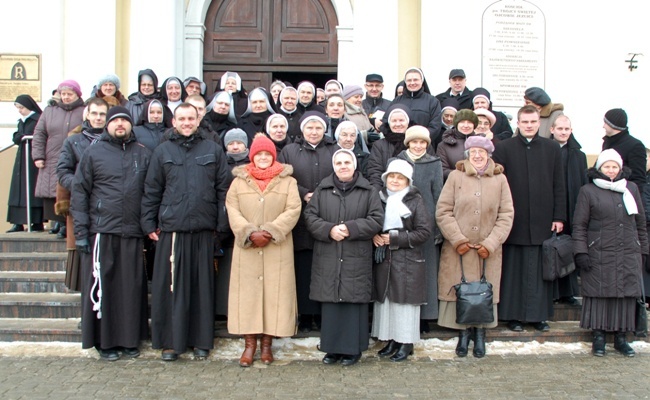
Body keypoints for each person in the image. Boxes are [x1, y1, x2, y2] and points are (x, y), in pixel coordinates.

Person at [142, 103, 231, 361]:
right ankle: (171, 342)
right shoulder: (162, 151)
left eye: (191, 118)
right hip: (173, 232)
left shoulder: (213, 150)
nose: (186, 122)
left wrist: (221, 226)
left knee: (201, 291)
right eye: (181, 118)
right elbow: (152, 190)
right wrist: (148, 224)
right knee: (171, 290)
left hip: (204, 231)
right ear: (174, 121)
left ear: (198, 119)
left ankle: (201, 340)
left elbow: (223, 191)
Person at [70, 106, 151, 361]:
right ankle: (105, 343)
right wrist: (81, 232)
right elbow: (80, 193)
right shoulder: (94, 153)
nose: (119, 125)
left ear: (130, 126)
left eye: (124, 121)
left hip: (133, 232)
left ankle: (129, 340)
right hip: (102, 231)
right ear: (107, 125)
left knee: (131, 288)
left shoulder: (143, 154)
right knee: (104, 288)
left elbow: (152, 193)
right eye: (115, 121)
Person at [436, 135, 514, 358]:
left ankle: (480, 334)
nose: (477, 155)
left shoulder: (500, 180)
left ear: (489, 154)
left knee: (483, 292)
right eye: (473, 152)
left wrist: (491, 243)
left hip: (487, 250)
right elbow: (443, 211)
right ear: (468, 154)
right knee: (463, 290)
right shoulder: (455, 176)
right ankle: (462, 334)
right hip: (458, 249)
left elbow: (506, 214)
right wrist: (458, 239)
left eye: (482, 151)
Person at [226, 135, 301, 367]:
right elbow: (232, 208)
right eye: (259, 154)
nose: (263, 158)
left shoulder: (288, 181)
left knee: (274, 296)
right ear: (252, 156)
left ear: (273, 156)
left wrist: (270, 231)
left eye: (267, 154)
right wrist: (248, 232)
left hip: (276, 248)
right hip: (247, 248)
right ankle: (249, 346)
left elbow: (293, 208)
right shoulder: (239, 181)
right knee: (248, 297)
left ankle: (267, 346)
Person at [304, 149, 383, 366]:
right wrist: (329, 229)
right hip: (328, 253)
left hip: (355, 255)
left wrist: (350, 228)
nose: (343, 166)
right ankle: (331, 349)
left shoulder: (368, 190)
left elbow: (376, 219)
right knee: (331, 302)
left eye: (347, 162)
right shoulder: (323, 189)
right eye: (338, 162)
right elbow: (310, 216)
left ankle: (352, 349)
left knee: (353, 302)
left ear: (354, 164)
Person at [492, 105, 566, 333]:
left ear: (539, 123)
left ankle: (538, 316)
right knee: (514, 271)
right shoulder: (504, 148)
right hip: (515, 219)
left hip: (543, 219)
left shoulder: (552, 148)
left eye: (533, 122)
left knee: (539, 273)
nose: (529, 126)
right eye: (525, 122)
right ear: (518, 123)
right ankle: (513, 316)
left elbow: (559, 184)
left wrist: (559, 216)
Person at [573, 149, 648, 357]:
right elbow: (579, 225)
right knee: (599, 294)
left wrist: (644, 250)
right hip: (598, 252)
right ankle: (598, 337)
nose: (611, 170)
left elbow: (640, 223)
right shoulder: (588, 191)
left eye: (615, 166)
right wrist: (581, 251)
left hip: (627, 252)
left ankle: (621, 338)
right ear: (599, 168)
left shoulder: (630, 188)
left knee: (624, 294)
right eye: (607, 166)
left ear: (620, 168)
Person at [278, 111, 338, 333]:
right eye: (310, 128)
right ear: (302, 129)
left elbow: (342, 173)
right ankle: (304, 315)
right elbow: (283, 177)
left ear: (324, 130)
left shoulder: (333, 150)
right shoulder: (290, 151)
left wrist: (322, 194)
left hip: (327, 214)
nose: (314, 132)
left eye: (318, 128)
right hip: (299, 217)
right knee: (302, 269)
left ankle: (322, 314)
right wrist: (304, 193)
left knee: (324, 268)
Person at [371, 159, 432, 362]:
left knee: (404, 303)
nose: (395, 181)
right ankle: (392, 340)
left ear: (408, 181)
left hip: (407, 259)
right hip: (385, 258)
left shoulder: (414, 200)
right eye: (392, 176)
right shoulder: (379, 198)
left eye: (400, 177)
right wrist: (375, 236)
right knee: (388, 301)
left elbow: (423, 232)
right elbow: (371, 222)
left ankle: (406, 342)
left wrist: (395, 238)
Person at [57, 97, 109, 291]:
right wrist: (80, 186)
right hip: (82, 205)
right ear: (86, 114)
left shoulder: (113, 140)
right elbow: (63, 171)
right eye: (94, 113)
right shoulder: (73, 141)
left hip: (107, 206)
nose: (98, 118)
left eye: (102, 114)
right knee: (85, 261)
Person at [394, 126, 444, 331]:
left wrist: (438, 228)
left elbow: (438, 195)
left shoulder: (434, 163)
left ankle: (425, 317)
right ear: (408, 143)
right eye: (414, 142)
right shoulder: (396, 162)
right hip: (402, 222)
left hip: (426, 224)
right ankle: (403, 317)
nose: (418, 146)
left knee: (426, 271)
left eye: (422, 142)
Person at [33, 79, 85, 235]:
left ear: (77, 94)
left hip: (75, 155)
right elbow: (39, 133)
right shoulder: (49, 111)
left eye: (70, 94)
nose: (66, 97)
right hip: (52, 155)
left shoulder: (84, 110)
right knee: (50, 190)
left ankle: (64, 224)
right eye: (63, 94)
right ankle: (55, 221)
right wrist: (38, 156)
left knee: (68, 188)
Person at [550, 116, 588, 305]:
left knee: (568, 250)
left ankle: (568, 292)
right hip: (552, 210)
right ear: (552, 130)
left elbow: (583, 183)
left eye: (567, 129)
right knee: (552, 250)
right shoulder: (546, 150)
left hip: (572, 207)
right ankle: (553, 292)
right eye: (560, 128)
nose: (563, 132)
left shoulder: (578, 155)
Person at [214, 128, 250, 321]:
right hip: (225, 220)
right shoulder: (221, 163)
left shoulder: (253, 164)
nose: (235, 146)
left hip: (248, 219)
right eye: (231, 143)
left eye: (239, 142)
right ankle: (224, 310)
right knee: (226, 268)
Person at [7, 95, 44, 233]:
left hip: (33, 158)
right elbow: (17, 136)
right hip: (21, 157)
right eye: (18, 108)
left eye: (21, 107)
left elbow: (28, 135)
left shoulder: (37, 119)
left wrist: (21, 136)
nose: (20, 111)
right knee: (18, 190)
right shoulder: (22, 121)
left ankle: (36, 222)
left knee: (32, 189)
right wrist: (20, 136)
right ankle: (18, 222)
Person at [386, 67, 442, 145]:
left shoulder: (432, 101)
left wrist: (418, 140)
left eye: (415, 80)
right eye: (409, 80)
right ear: (405, 82)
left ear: (422, 81)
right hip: (398, 145)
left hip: (422, 146)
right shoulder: (396, 101)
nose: (412, 83)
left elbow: (435, 126)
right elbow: (386, 122)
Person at [367, 104, 413, 190]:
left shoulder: (417, 144)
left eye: (401, 120)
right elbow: (375, 172)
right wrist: (378, 195)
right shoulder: (379, 145)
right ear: (389, 123)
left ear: (408, 122)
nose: (398, 124)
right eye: (394, 121)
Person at [601, 108, 647, 194]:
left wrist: (634, 202)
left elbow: (639, 180)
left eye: (605, 122)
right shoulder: (607, 142)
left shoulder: (635, 145)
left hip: (623, 198)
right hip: (604, 197)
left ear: (612, 125)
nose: (603, 126)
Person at [437, 109, 479, 179]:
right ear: (456, 124)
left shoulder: (481, 143)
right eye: (462, 122)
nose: (466, 125)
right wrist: (463, 175)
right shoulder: (444, 145)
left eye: (469, 122)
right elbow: (442, 170)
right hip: (454, 185)